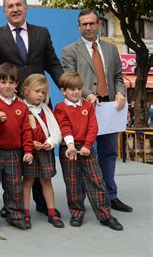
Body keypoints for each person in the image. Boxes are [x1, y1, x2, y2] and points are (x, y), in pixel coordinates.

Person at [0, 0, 64, 217]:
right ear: (4, 11)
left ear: (26, 7)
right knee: (12, 157)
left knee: (39, 153)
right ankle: (11, 204)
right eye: (9, 6)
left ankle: (41, 202)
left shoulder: (42, 32)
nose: (15, 9)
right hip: (13, 105)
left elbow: (53, 65)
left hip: (40, 104)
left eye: (18, 4)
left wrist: (68, 91)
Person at [61, 8, 132, 213]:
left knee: (109, 154)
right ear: (78, 26)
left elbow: (118, 77)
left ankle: (111, 196)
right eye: (84, 24)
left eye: (92, 23)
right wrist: (87, 94)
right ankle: (82, 201)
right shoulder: (69, 51)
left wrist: (120, 93)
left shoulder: (111, 50)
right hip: (85, 109)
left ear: (99, 24)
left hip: (110, 109)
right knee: (84, 155)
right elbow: (69, 78)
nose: (89, 27)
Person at [54, 72, 123, 231]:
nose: (76, 92)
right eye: (72, 89)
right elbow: (64, 126)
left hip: (87, 148)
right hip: (69, 149)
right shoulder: (60, 108)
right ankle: (77, 213)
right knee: (73, 183)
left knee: (97, 181)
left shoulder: (87, 106)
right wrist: (71, 146)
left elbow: (93, 127)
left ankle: (105, 215)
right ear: (63, 91)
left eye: (78, 88)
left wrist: (87, 145)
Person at [0, 62, 32, 231]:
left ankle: (16, 215)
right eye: (3, 82)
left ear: (16, 84)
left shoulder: (22, 106)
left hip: (14, 152)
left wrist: (27, 150)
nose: (7, 86)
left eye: (11, 82)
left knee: (14, 186)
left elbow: (27, 131)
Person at [21, 74, 64, 229]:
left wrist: (50, 143)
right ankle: (25, 213)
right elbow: (18, 132)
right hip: (29, 152)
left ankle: (51, 212)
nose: (41, 95)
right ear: (26, 91)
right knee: (27, 182)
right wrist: (31, 144)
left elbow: (56, 131)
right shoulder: (21, 109)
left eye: (44, 92)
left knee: (47, 181)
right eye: (37, 91)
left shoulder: (46, 110)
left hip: (45, 151)